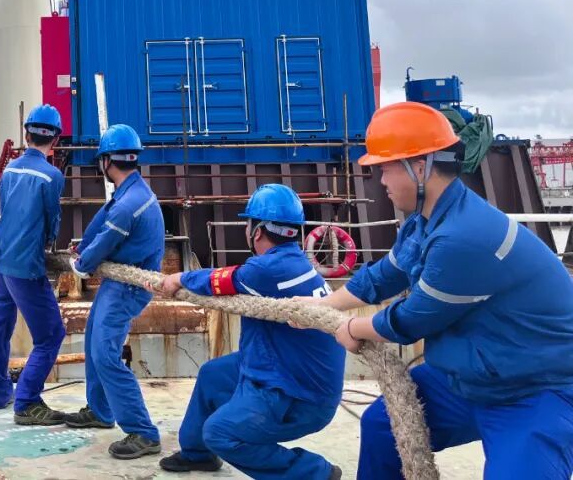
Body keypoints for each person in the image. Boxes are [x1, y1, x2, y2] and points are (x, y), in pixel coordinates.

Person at [311, 102, 573, 479]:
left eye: (385, 167)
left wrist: (354, 328)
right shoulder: (425, 222)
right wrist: (323, 305)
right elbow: (383, 277)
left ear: (420, 167)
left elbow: (413, 319)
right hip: (471, 378)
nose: (380, 180)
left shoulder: (463, 236)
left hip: (534, 391)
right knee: (384, 426)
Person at [154, 184, 344, 479]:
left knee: (220, 433)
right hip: (289, 368)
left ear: (256, 231)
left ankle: (316, 473)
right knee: (213, 375)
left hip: (296, 394)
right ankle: (197, 454)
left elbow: (218, 280)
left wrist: (178, 277)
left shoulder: (268, 270)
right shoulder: (294, 263)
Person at [62, 124, 165, 460]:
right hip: (118, 284)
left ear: (106, 161)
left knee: (105, 354)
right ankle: (101, 410)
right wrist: (83, 247)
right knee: (94, 340)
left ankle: (143, 432)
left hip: (127, 288)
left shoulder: (127, 204)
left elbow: (102, 243)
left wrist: (81, 262)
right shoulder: (130, 194)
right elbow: (101, 224)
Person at [0, 104, 67, 425]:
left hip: (0, 259)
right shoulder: (52, 176)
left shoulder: (9, 171)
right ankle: (27, 400)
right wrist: (48, 245)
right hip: (26, 266)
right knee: (50, 335)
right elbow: (51, 220)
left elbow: (7, 211)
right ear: (55, 139)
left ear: (26, 134)